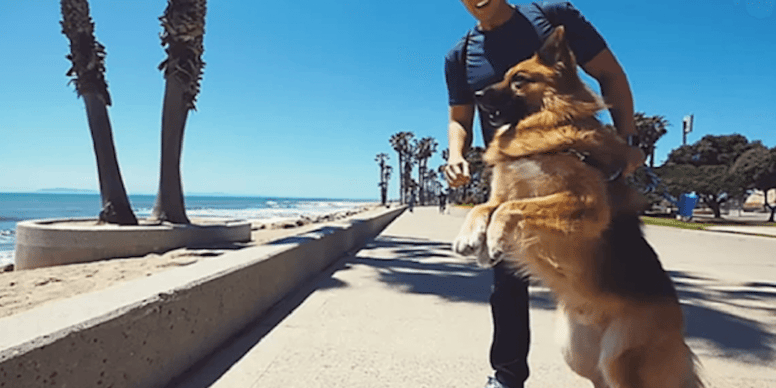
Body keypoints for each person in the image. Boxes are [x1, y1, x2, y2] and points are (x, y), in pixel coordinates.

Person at [443, 2, 644, 387]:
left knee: (606, 268)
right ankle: (507, 376)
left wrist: (628, 139)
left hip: (575, 155)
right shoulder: (460, 55)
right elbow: (459, 116)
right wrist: (455, 154)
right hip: (513, 168)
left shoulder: (551, 17)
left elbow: (610, 73)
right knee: (506, 283)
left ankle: (624, 365)